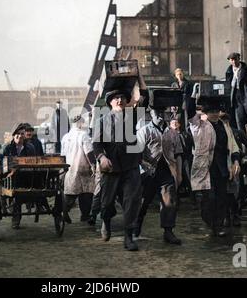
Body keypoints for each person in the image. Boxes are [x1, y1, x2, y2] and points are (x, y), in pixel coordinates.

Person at [93, 85, 148, 251]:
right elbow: (96, 144)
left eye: (123, 98)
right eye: (116, 98)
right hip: (110, 168)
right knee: (107, 203)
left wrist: (139, 79)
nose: (120, 100)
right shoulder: (101, 121)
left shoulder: (133, 116)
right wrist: (101, 157)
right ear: (110, 102)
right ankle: (106, 222)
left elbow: (145, 99)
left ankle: (128, 237)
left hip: (130, 166)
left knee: (132, 201)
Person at [188, 87, 241, 237]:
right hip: (207, 167)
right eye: (212, 112)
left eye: (217, 111)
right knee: (209, 198)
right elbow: (190, 111)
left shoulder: (224, 126)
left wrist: (236, 161)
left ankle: (217, 226)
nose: (215, 114)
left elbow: (233, 145)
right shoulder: (199, 125)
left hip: (223, 167)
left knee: (222, 198)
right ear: (206, 113)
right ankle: (211, 222)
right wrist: (193, 95)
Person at [135, 107, 182, 245]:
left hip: (167, 172)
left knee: (169, 202)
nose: (161, 116)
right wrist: (144, 165)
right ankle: (135, 229)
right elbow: (137, 154)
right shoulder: (145, 130)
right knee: (142, 202)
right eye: (158, 112)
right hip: (148, 173)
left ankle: (168, 231)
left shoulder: (172, 133)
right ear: (151, 113)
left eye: (164, 113)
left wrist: (179, 174)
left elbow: (178, 153)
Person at [219, 112, 247, 227]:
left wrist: (246, 158)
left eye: (226, 121)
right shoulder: (217, 133)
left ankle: (235, 215)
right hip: (222, 166)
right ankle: (225, 215)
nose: (224, 123)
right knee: (224, 192)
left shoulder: (236, 132)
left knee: (237, 192)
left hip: (236, 165)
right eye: (222, 121)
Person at [61, 115, 96, 223]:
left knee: (72, 191)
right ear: (80, 123)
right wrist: (93, 165)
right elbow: (89, 152)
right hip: (82, 167)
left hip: (69, 167)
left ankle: (68, 212)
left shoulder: (65, 137)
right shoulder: (83, 135)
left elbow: (62, 154)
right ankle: (76, 213)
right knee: (86, 193)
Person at [1, 123, 36, 229]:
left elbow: (34, 162)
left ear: (24, 135)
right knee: (16, 196)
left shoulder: (30, 147)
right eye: (17, 134)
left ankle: (34, 201)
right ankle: (16, 219)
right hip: (11, 180)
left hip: (27, 178)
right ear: (13, 135)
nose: (19, 136)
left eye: (21, 134)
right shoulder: (6, 148)